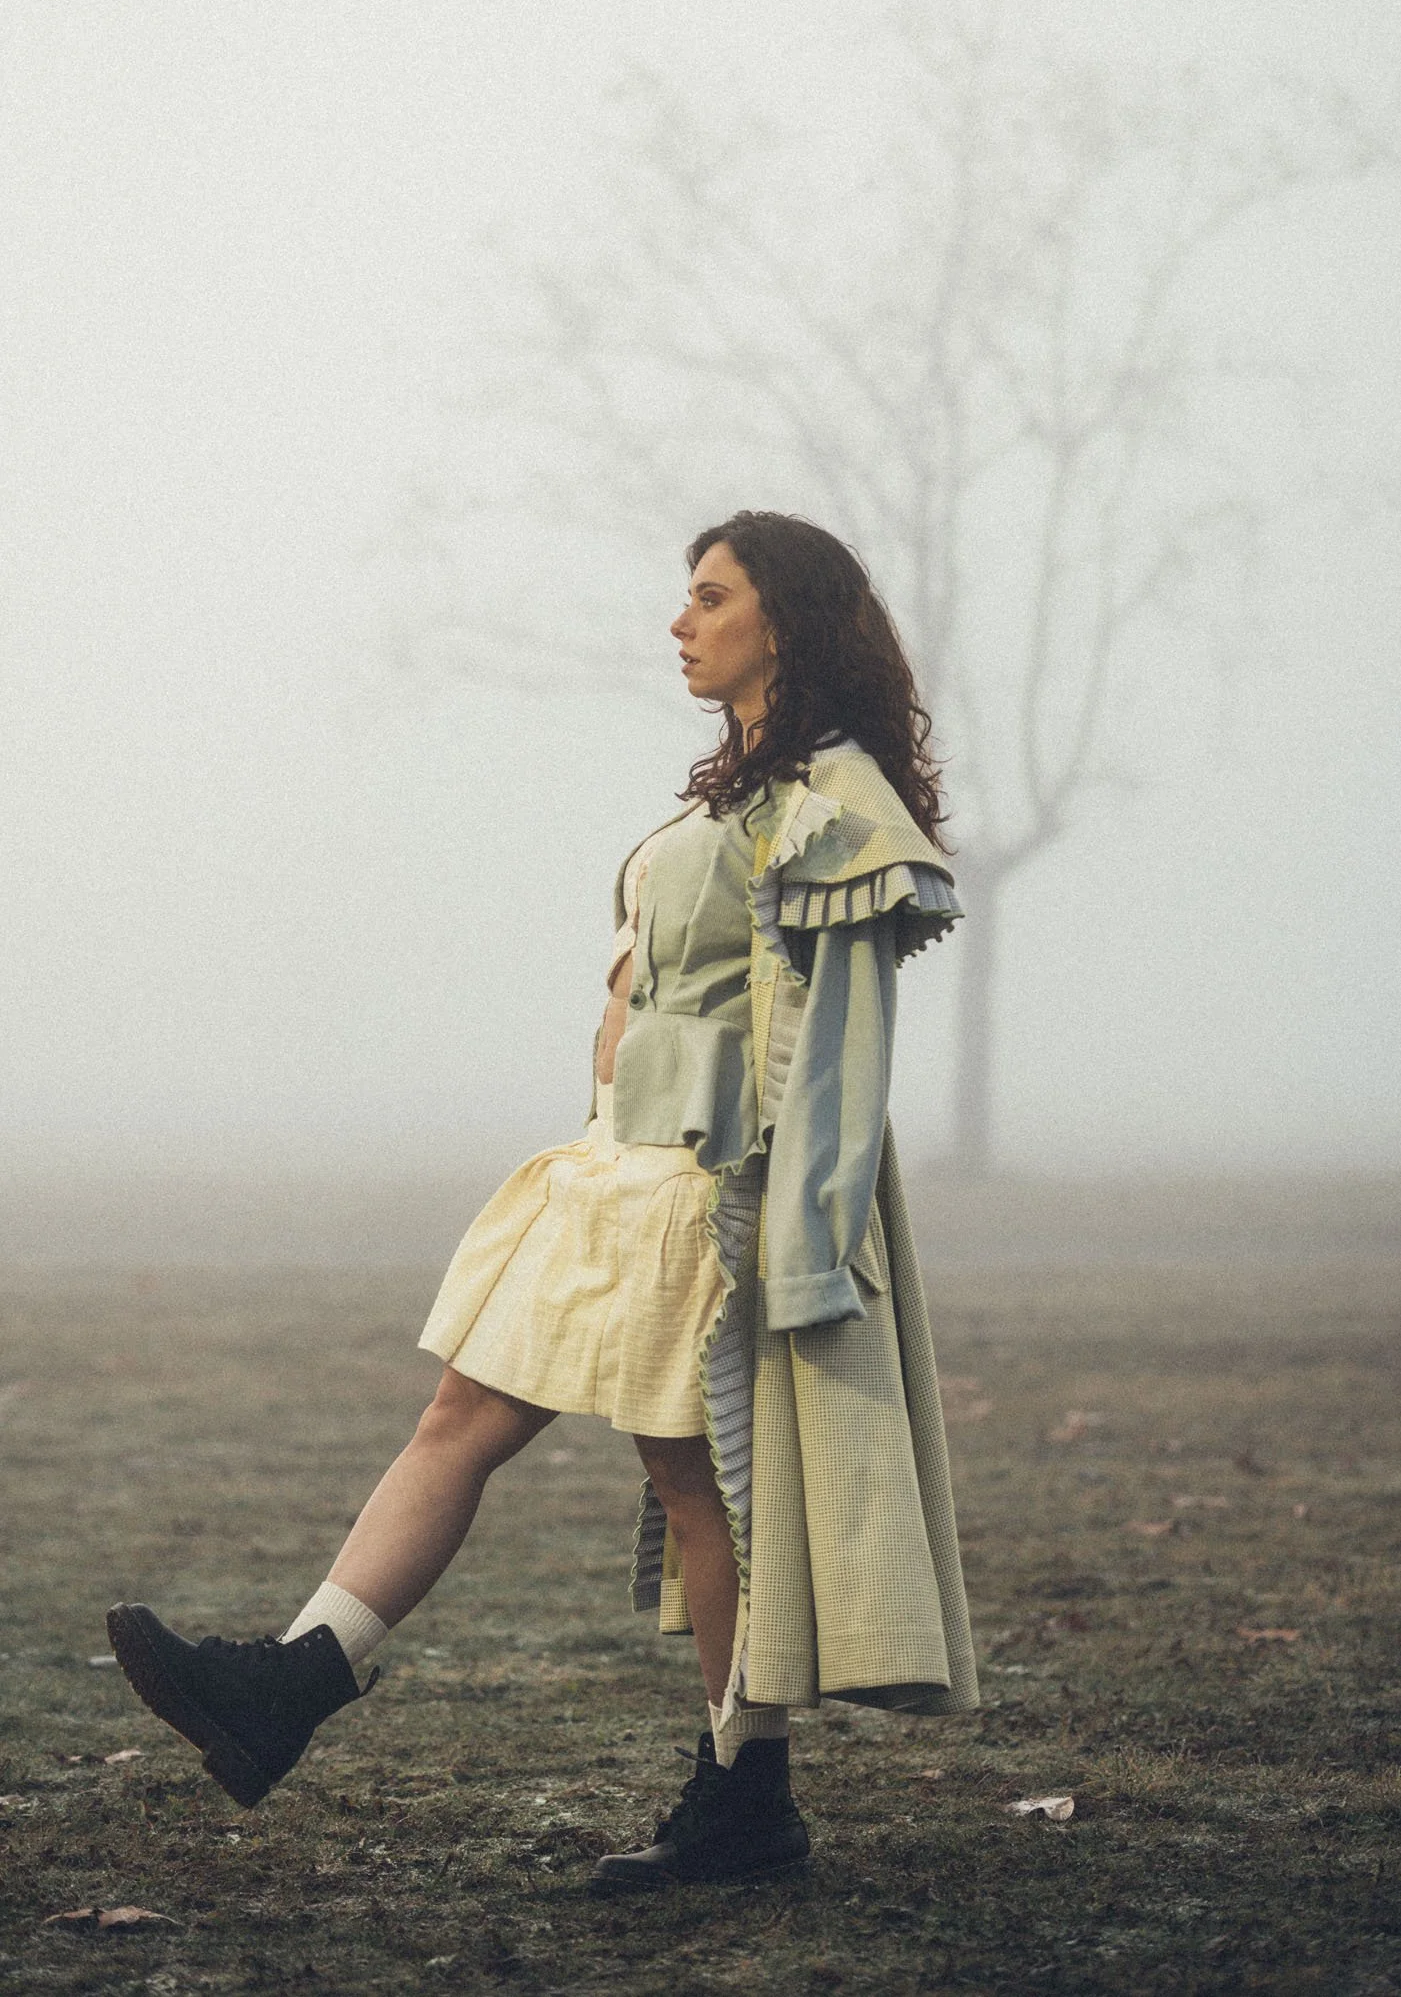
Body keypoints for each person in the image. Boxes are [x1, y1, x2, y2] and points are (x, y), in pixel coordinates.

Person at [106, 509, 979, 1889]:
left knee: (702, 1489)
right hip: (614, 1175)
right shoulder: (729, 796)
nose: (679, 622)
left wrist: (797, 1249)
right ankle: (293, 1680)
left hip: (714, 1190)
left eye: (709, 597)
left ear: (786, 623)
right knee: (470, 1418)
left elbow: (841, 1053)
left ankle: (743, 1796)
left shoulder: (836, 806)